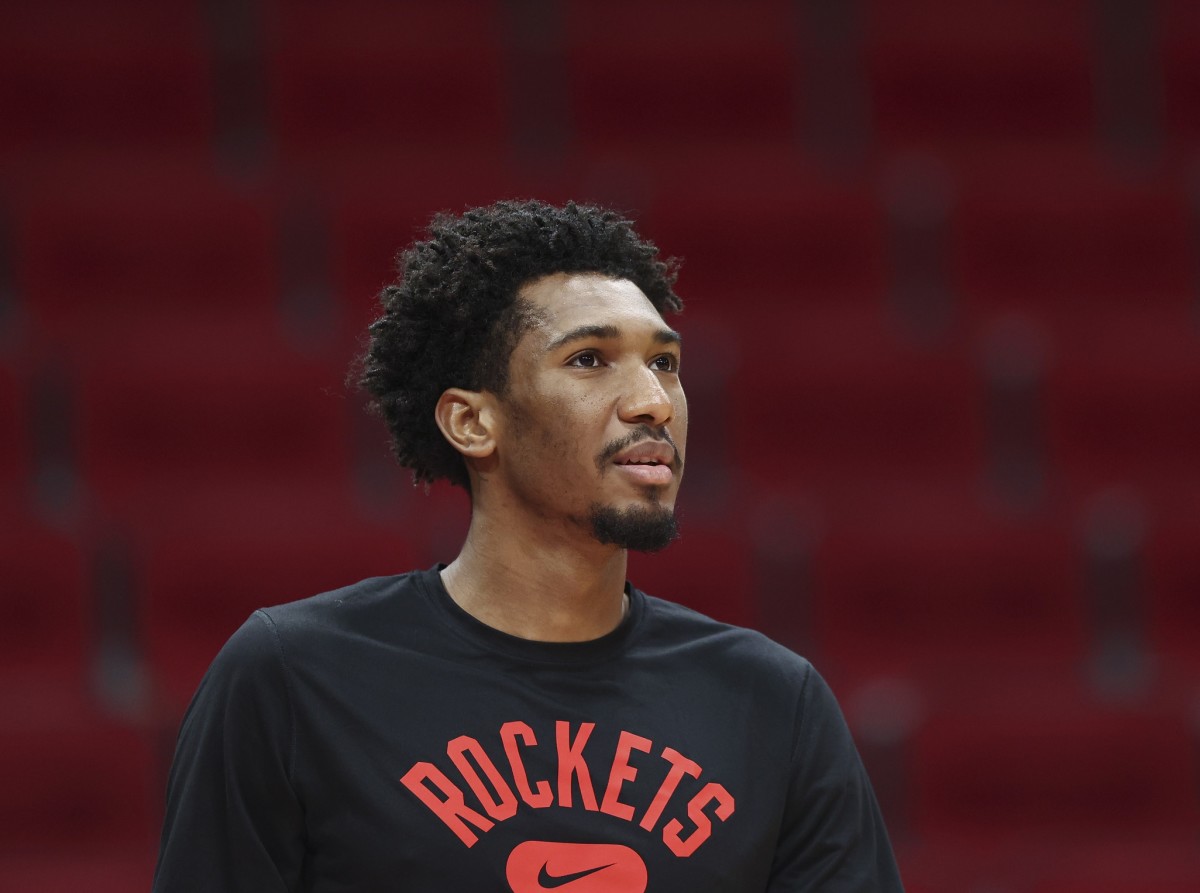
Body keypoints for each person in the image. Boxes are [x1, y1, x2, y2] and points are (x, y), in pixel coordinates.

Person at [152, 200, 904, 892]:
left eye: (665, 362)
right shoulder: (293, 678)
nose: (652, 400)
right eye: (589, 360)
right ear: (473, 423)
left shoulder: (773, 704)